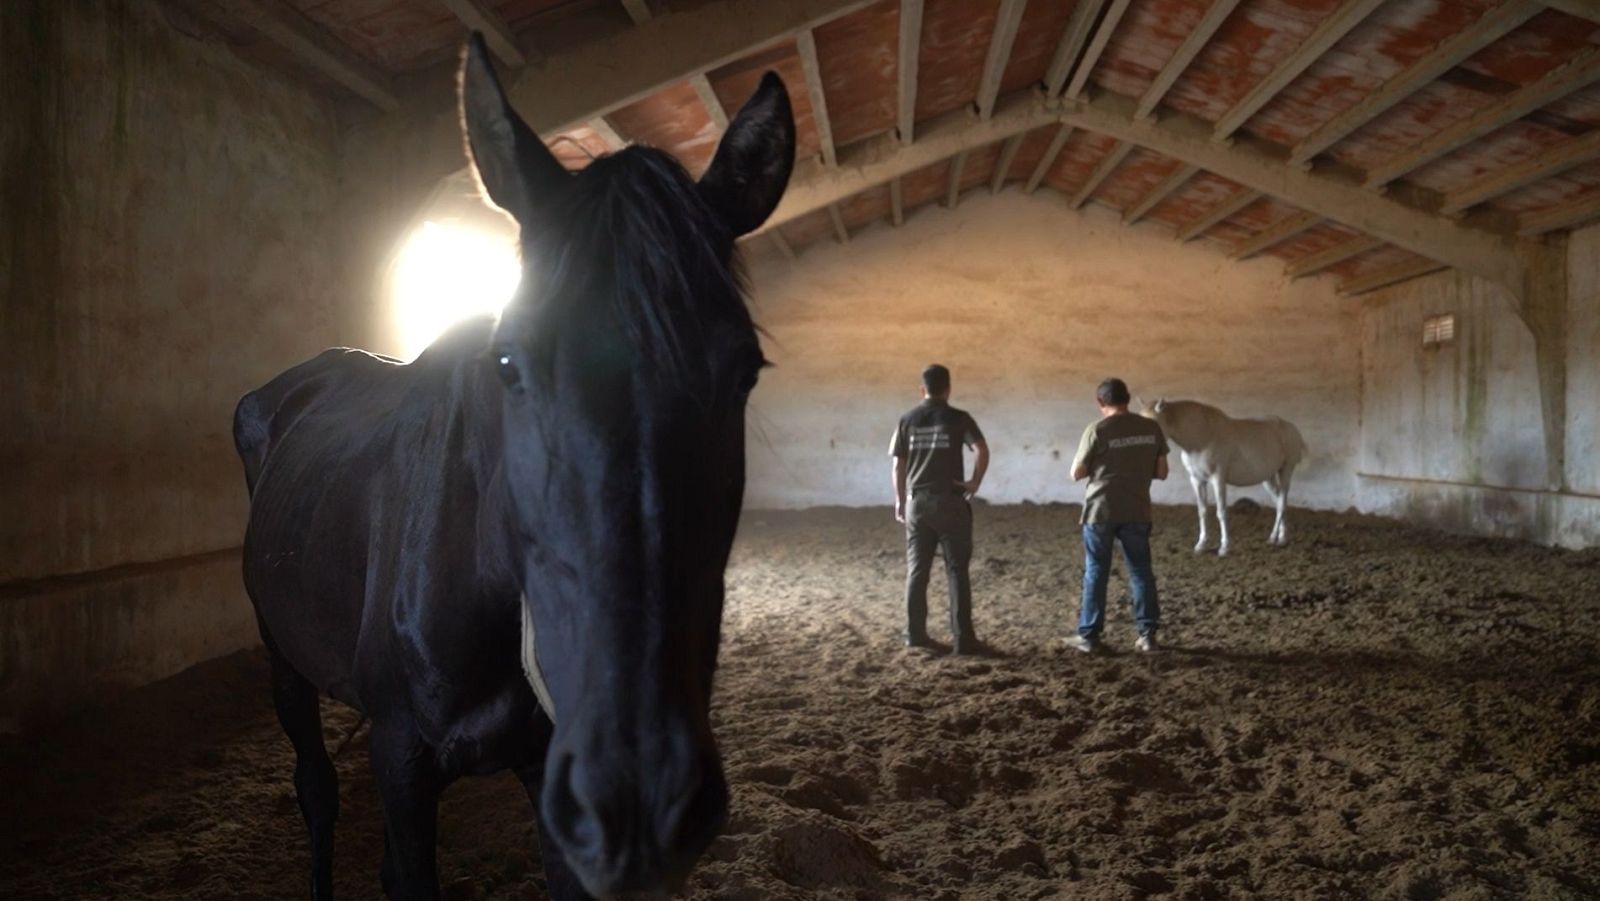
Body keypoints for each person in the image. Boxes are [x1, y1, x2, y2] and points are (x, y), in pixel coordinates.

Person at [889, 364, 990, 655]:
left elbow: (898, 464)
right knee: (957, 571)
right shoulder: (959, 418)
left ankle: (915, 635)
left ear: (922, 390)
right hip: (951, 502)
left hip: (917, 503)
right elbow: (982, 449)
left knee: (917, 570)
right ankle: (963, 639)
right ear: (948, 389)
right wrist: (974, 482)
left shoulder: (906, 420)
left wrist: (900, 499)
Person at [1066, 377, 1169, 653]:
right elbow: (1161, 473)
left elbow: (1077, 473)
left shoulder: (1096, 429)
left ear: (1100, 403)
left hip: (1101, 510)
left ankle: (1089, 636)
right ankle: (1147, 635)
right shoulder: (1151, 428)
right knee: (1141, 571)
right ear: (1128, 397)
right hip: (1137, 508)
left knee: (1096, 571)